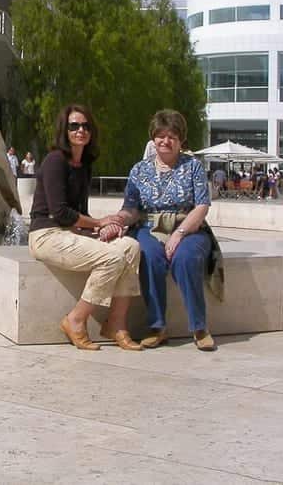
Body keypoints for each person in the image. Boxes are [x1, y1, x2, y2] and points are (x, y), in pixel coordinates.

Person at [28, 104, 143, 351]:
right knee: (112, 258)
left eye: (85, 126)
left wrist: (102, 229)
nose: (81, 130)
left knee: (131, 246)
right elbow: (60, 212)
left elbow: (79, 212)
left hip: (69, 232)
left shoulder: (85, 164)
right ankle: (75, 320)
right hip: (46, 234)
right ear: (65, 130)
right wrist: (100, 222)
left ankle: (116, 324)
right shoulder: (54, 161)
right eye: (74, 126)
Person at [112, 109, 223, 352]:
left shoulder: (193, 166)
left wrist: (179, 234)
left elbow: (202, 206)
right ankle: (157, 327)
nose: (165, 141)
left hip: (189, 227)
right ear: (153, 138)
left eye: (172, 135)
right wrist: (119, 219)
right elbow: (131, 208)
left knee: (185, 258)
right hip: (149, 226)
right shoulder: (139, 170)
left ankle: (199, 327)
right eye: (160, 135)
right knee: (149, 256)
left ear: (181, 140)